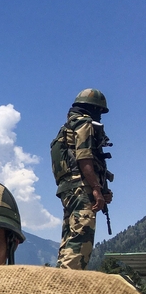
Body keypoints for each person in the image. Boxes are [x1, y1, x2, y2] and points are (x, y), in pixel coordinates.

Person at [50, 88, 114, 270]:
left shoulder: (66, 129)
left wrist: (102, 189)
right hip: (81, 188)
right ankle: (68, 286)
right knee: (81, 240)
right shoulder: (84, 124)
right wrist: (96, 188)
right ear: (95, 109)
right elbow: (84, 157)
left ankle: (60, 281)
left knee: (69, 238)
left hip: (68, 189)